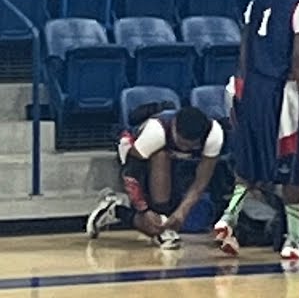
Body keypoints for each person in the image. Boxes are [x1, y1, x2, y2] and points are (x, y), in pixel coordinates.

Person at [212, 0, 299, 260]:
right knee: (291, 166)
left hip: (250, 87)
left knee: (247, 164)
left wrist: (243, 82)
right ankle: (293, 239)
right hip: (281, 91)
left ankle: (228, 217)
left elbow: (245, 44)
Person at [85, 105, 224, 250]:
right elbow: (131, 174)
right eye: (181, 143)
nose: (185, 149)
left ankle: (114, 210)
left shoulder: (214, 135)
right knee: (160, 156)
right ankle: (157, 218)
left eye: (190, 146)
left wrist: (182, 211)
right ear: (174, 125)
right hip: (135, 154)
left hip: (174, 163)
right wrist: (144, 210)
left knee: (164, 223)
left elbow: (201, 181)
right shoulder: (155, 132)